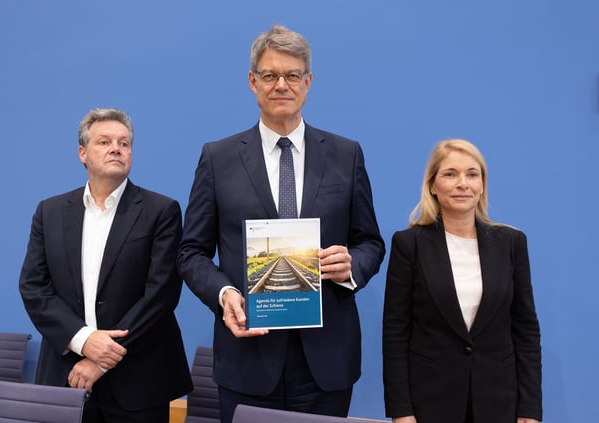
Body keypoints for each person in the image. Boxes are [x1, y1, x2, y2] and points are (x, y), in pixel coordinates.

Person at [177, 25, 385, 422]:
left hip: (326, 360)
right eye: (270, 75)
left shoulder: (346, 154)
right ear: (252, 82)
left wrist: (351, 267)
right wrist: (224, 294)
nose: (281, 85)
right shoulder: (218, 158)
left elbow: (370, 242)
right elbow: (191, 253)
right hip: (248, 355)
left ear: (308, 82)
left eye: (292, 75)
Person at [19, 108, 192, 422]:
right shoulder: (50, 212)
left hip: (139, 379)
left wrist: (101, 359)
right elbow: (34, 288)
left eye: (124, 143)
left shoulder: (161, 211)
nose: (116, 149)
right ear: (82, 154)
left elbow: (161, 294)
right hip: (66, 375)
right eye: (104, 142)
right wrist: (84, 340)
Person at [382, 139, 542, 423]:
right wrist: (401, 411)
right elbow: (395, 333)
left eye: (472, 174)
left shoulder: (512, 243)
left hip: (499, 402)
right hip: (430, 402)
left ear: (482, 185)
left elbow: (526, 331)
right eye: (450, 174)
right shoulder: (409, 244)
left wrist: (529, 407)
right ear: (432, 185)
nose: (462, 184)